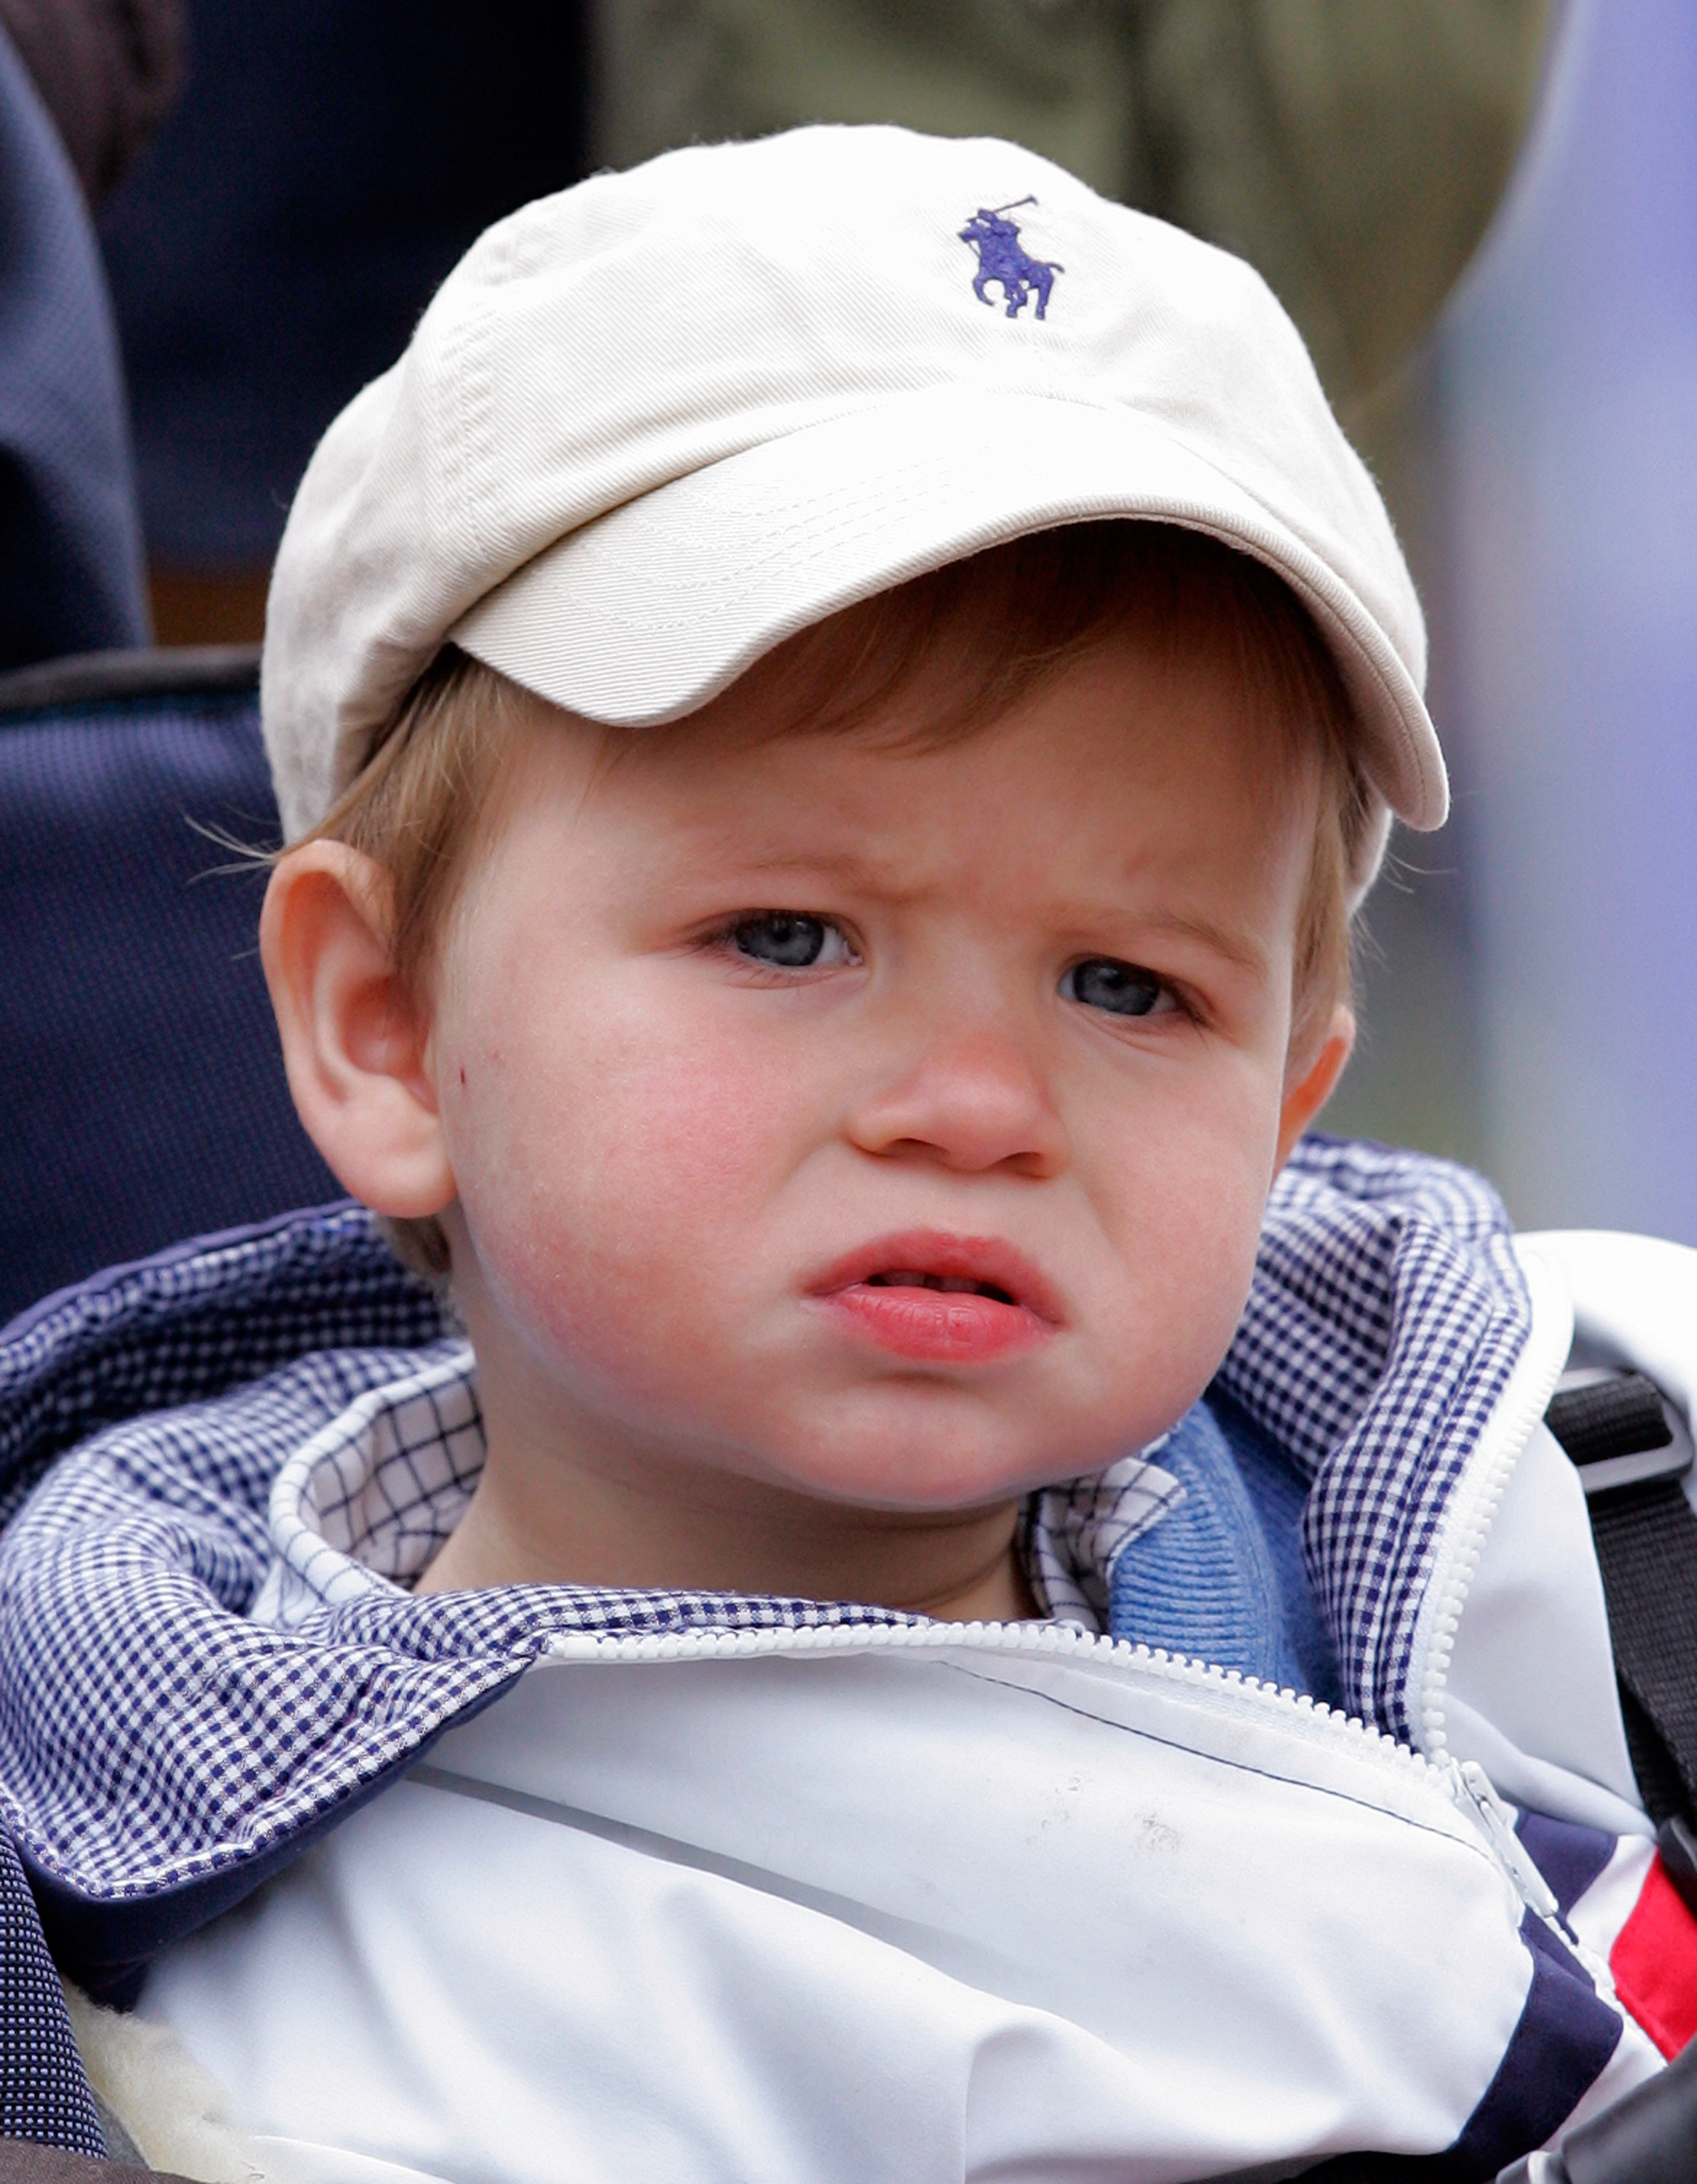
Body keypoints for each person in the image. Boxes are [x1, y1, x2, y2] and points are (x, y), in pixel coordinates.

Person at [1, 124, 1694, 2180]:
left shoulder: (1578, 1460)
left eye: (1126, 988)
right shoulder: (290, 2029)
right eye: (786, 939)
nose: (974, 1108)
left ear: (1285, 1108)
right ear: (385, 1026)